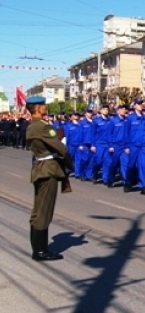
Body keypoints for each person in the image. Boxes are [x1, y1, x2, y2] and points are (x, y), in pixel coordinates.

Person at [26, 96, 74, 261]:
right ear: (38, 108)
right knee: (44, 211)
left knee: (38, 210)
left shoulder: (33, 125)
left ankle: (38, 248)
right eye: (43, 105)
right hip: (48, 171)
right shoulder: (42, 127)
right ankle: (40, 251)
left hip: (40, 169)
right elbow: (61, 148)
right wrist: (70, 165)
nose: (46, 107)